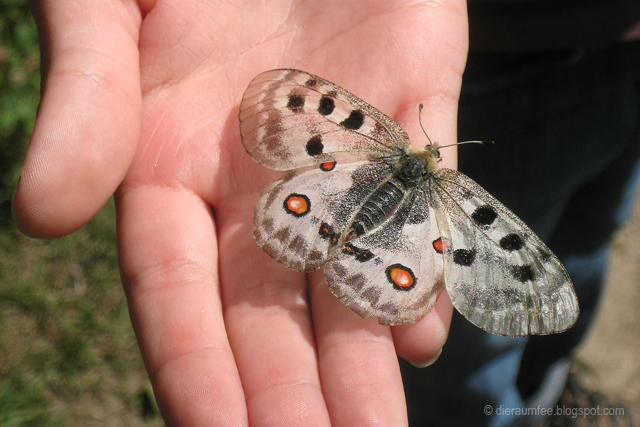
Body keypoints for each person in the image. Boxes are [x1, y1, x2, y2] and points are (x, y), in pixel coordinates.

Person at [13, 0, 640, 426]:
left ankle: (541, 394)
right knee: (465, 366)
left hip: (618, 45)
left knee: (589, 230)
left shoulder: (382, 133)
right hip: (515, 49)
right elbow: (284, 99)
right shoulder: (452, 187)